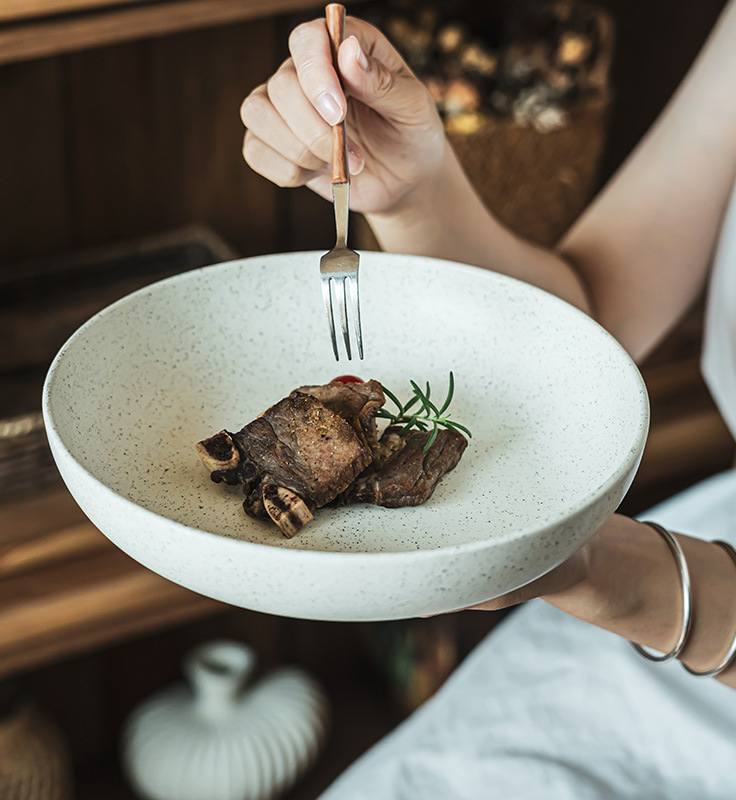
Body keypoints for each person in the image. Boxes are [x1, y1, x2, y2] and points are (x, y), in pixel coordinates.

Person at [240, 3, 736, 796]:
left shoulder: (634, 578)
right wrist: (413, 192)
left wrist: (614, 572)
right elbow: (592, 315)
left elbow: (630, 578)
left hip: (688, 600)